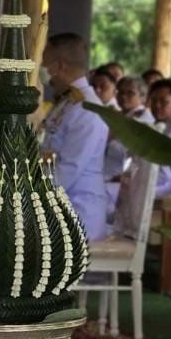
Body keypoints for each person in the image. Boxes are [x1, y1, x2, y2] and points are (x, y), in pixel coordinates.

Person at [40, 32, 111, 240]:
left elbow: (65, 172)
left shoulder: (88, 110)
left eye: (45, 64)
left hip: (76, 214)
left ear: (60, 66)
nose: (42, 72)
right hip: (59, 208)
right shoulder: (67, 103)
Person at [112, 78, 171, 239]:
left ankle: (135, 242)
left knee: (128, 195)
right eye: (154, 100)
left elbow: (163, 169)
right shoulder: (156, 125)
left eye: (163, 102)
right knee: (122, 191)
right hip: (154, 179)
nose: (157, 106)